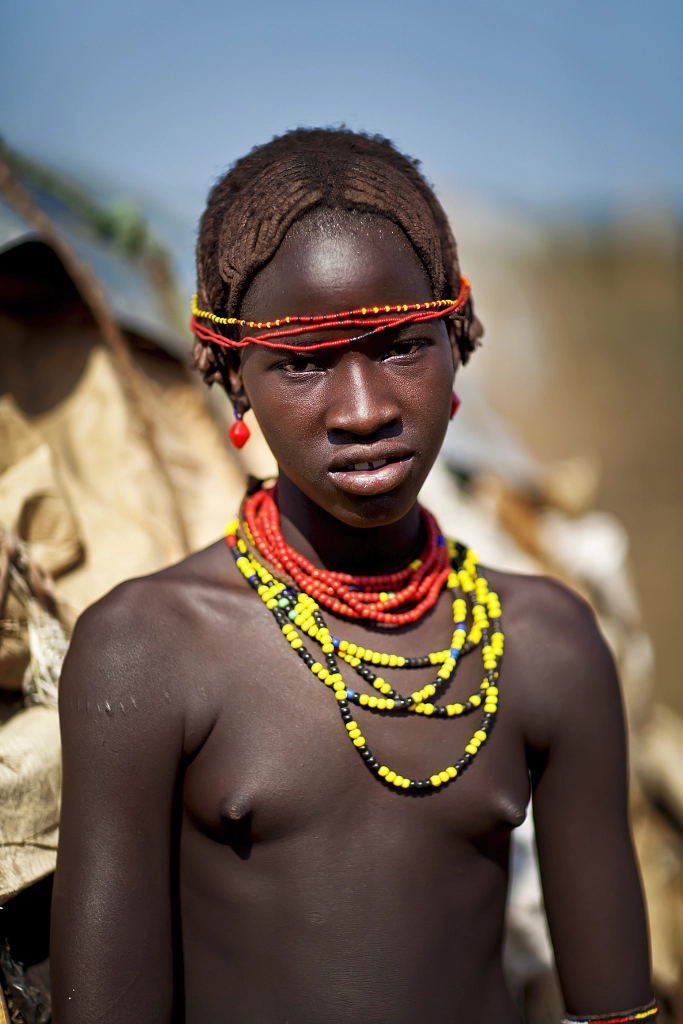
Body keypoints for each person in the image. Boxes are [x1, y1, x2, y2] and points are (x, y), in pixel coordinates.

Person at [51, 129, 656, 1024]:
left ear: (460, 340)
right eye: (300, 361)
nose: (364, 410)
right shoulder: (149, 650)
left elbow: (615, 1014)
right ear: (231, 377)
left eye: (403, 346)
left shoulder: (548, 645)